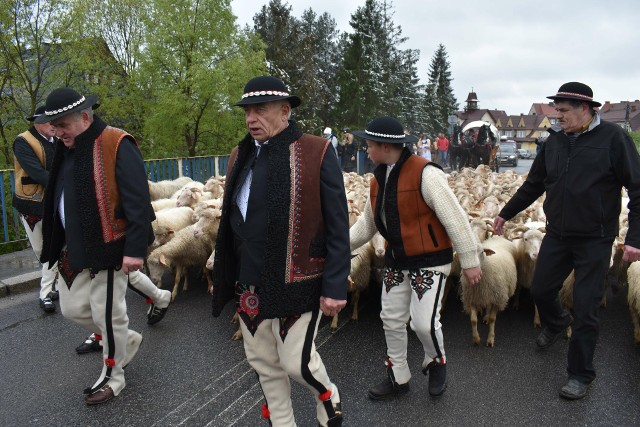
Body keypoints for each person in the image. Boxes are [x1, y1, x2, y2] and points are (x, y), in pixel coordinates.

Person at [211, 76, 349, 427]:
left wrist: (335, 286)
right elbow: (233, 220)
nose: (250, 118)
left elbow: (337, 225)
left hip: (299, 280)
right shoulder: (239, 155)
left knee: (296, 363)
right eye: (247, 111)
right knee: (264, 365)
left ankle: (328, 395)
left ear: (285, 111)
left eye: (260, 110)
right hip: (250, 280)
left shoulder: (317, 151)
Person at [492, 82, 640, 400]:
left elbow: (638, 189)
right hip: (557, 234)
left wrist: (635, 237)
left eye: (563, 111)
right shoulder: (555, 143)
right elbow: (533, 184)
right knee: (541, 289)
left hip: (596, 239)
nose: (557, 116)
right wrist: (506, 213)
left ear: (585, 109)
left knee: (586, 307)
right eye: (556, 110)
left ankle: (580, 374)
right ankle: (557, 321)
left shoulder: (613, 140)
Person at [349, 116, 482, 400]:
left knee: (423, 323)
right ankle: (398, 376)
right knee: (391, 318)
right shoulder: (377, 179)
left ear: (386, 146)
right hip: (397, 260)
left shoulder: (426, 173)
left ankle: (436, 362)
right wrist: (335, 246)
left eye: (369, 144)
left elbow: (455, 217)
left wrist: (470, 260)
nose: (366, 149)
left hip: (430, 260)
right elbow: (367, 225)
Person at [37, 87, 155, 405]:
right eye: (54, 124)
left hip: (109, 247)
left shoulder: (116, 142)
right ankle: (126, 339)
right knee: (72, 308)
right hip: (74, 250)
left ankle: (114, 376)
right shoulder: (67, 148)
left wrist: (134, 250)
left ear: (85, 117)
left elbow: (138, 201)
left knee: (109, 315)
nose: (56, 130)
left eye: (62, 124)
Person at [12, 106, 59, 313]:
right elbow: (37, 172)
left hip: (54, 203)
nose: (53, 125)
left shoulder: (58, 141)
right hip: (31, 204)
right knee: (42, 251)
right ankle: (53, 286)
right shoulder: (22, 141)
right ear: (37, 122)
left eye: (55, 121)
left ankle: (46, 292)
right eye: (49, 121)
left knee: (52, 249)